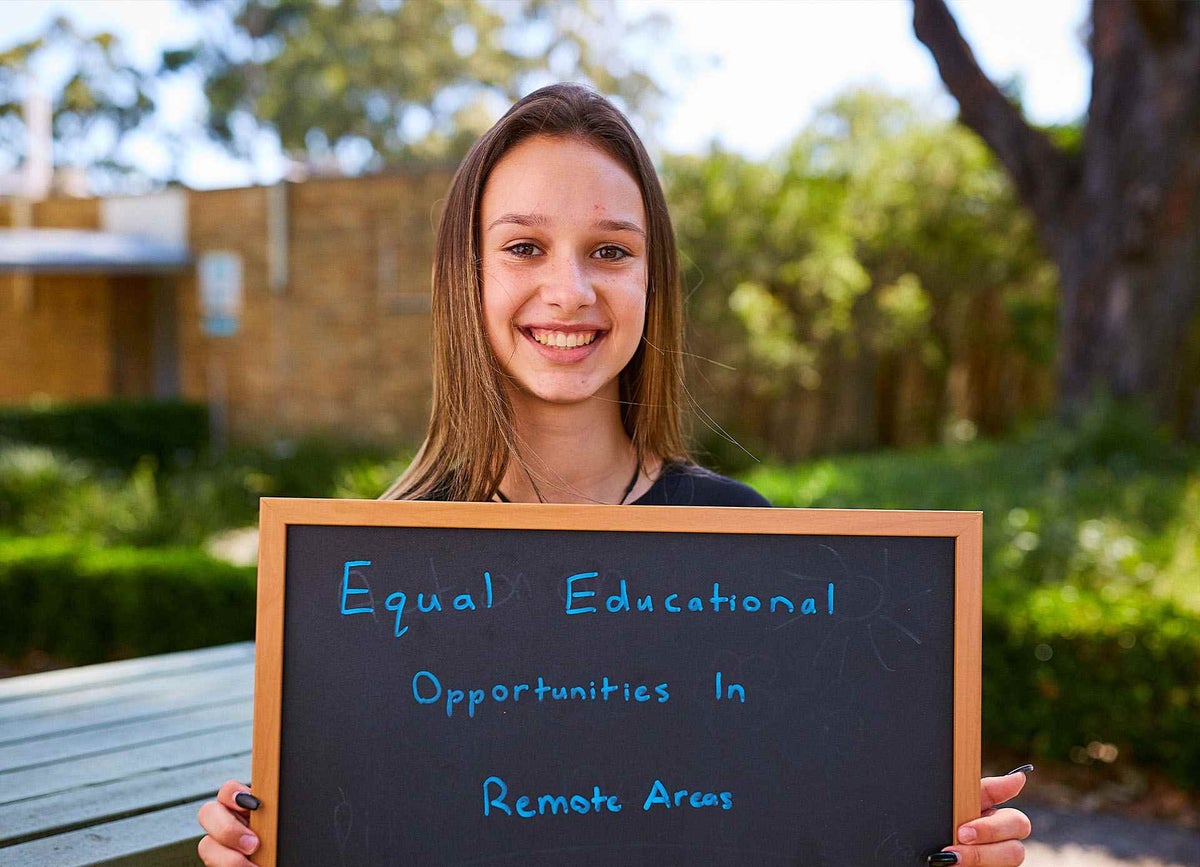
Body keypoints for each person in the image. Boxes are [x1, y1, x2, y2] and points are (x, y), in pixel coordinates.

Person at [197, 83, 1032, 866]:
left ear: (651, 279)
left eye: (610, 250)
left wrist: (935, 838)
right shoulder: (369, 575)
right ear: (466, 276)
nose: (570, 289)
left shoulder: (751, 544)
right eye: (524, 247)